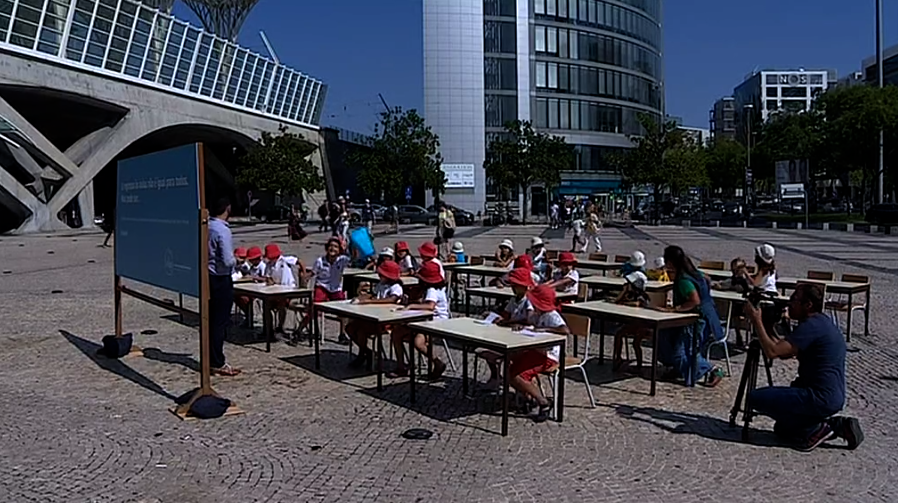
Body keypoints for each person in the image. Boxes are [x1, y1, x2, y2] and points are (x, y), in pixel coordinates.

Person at [745, 283, 864, 452]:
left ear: (808, 305)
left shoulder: (811, 326)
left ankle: (819, 429)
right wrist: (769, 325)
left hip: (819, 396)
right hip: (829, 396)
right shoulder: (821, 322)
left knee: (755, 398)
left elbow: (772, 352)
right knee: (782, 429)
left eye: (794, 300)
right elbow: (785, 351)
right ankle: (838, 426)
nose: (789, 303)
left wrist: (756, 321)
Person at [657, 245, 725, 387]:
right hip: (705, 316)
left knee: (682, 352)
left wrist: (677, 309)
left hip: (696, 320)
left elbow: (695, 300)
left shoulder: (683, 280)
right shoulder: (693, 271)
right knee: (665, 338)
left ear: (670, 261)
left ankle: (713, 370)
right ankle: (679, 369)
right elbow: (707, 278)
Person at [508, 285, 570, 423]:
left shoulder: (551, 315)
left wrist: (544, 329)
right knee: (511, 364)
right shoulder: (538, 313)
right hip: (535, 350)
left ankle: (543, 402)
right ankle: (527, 396)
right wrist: (523, 326)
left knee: (517, 376)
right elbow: (531, 324)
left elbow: (565, 330)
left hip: (549, 356)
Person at [388, 261, 449, 379]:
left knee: (418, 342)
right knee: (397, 333)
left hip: (435, 322)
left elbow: (430, 306)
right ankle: (401, 366)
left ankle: (437, 362)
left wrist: (411, 306)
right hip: (425, 319)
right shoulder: (433, 289)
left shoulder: (432, 289)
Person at [345, 260, 405, 368]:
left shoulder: (396, 287)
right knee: (350, 328)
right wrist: (361, 297)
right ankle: (367, 352)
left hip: (387, 320)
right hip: (373, 316)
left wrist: (370, 302)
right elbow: (373, 295)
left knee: (361, 331)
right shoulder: (381, 284)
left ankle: (363, 354)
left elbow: (392, 300)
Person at [207, 198, 240, 376]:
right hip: (220, 278)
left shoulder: (207, 226)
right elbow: (227, 260)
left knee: (210, 320)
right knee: (219, 322)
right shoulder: (222, 230)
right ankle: (217, 361)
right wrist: (237, 261)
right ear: (227, 208)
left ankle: (210, 357)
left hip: (207, 277)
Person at [298, 237, 351, 343]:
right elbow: (312, 273)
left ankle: (342, 334)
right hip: (322, 286)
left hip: (335, 288)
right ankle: (299, 331)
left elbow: (354, 257)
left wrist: (346, 249)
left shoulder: (342, 260)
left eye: (336, 247)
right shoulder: (320, 261)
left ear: (340, 250)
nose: (333, 249)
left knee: (344, 311)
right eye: (331, 246)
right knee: (314, 309)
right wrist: (304, 278)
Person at [612, 271, 651, 372]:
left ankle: (639, 365)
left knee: (636, 343)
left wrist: (625, 304)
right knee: (619, 334)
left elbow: (638, 304)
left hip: (642, 324)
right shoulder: (629, 294)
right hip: (631, 323)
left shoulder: (643, 296)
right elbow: (617, 302)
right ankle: (618, 357)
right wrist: (623, 292)